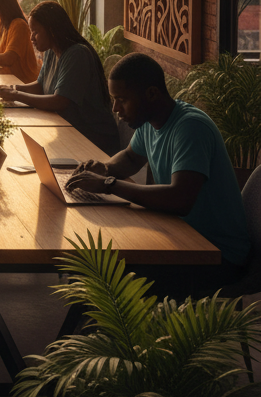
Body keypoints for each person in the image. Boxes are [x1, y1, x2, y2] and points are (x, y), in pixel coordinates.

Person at [66, 52, 250, 298]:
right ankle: (101, 334)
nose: (115, 108)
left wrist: (109, 184)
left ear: (152, 94)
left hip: (217, 255)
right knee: (92, 267)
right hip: (179, 236)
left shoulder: (191, 128)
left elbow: (179, 199)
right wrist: (105, 167)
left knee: (108, 277)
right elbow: (131, 157)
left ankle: (111, 335)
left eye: (122, 99)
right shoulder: (150, 122)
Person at [0, 0, 120, 154]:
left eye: (36, 32)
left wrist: (16, 95)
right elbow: (40, 86)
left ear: (51, 30)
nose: (32, 37)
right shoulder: (52, 50)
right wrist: (12, 89)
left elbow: (60, 101)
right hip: (68, 129)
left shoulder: (77, 54)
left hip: (92, 137)